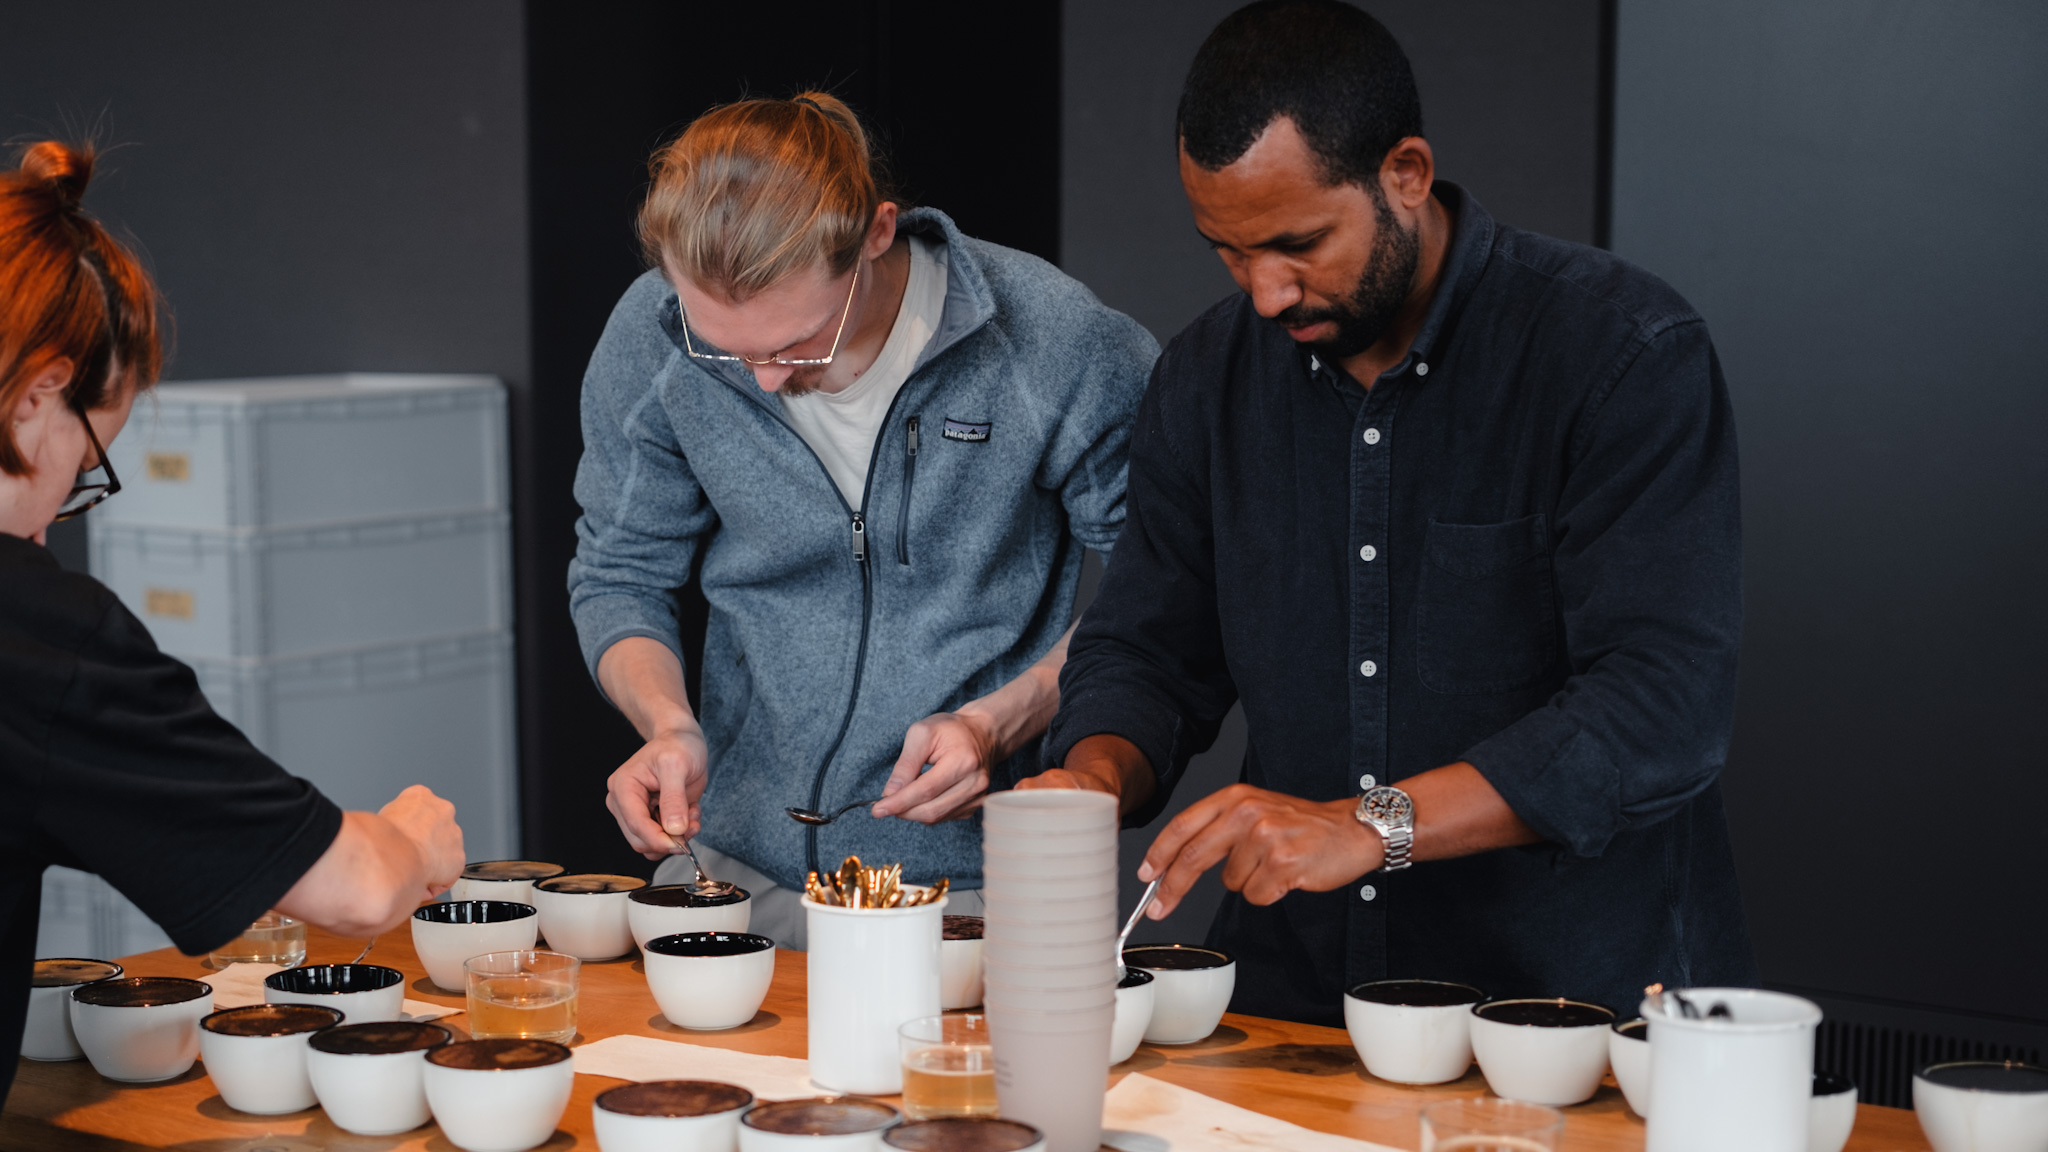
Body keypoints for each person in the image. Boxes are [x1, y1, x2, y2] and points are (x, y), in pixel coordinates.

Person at [1026, 0, 1756, 1025]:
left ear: (1403, 173)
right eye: (1227, 253)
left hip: (1567, 1004)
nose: (1266, 293)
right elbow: (1149, 650)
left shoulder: (1619, 353)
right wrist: (1087, 779)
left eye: (1296, 243)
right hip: (1295, 1004)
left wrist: (1373, 825)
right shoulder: (1205, 378)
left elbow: (1658, 711)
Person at [569, 93, 1156, 948]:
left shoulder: (1053, 342)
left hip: (972, 890)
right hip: (726, 872)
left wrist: (1000, 721)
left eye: (797, 344)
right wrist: (666, 723)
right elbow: (620, 573)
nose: (763, 381)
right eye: (726, 351)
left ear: (879, 232)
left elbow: (1159, 595)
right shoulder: (654, 334)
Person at [0, 141, 467, 1103]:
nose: (54, 519)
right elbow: (356, 889)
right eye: (87, 466)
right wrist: (413, 842)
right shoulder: (39, 634)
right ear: (40, 393)